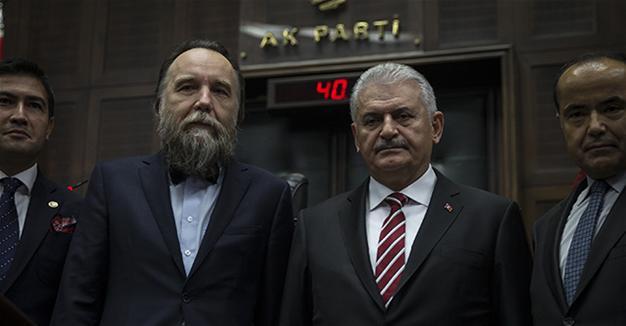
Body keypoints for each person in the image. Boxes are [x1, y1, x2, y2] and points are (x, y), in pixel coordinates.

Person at [53, 40, 294, 325]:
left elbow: (275, 312)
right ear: (159, 106)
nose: (204, 101)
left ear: (238, 114)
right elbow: (78, 299)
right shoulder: (113, 183)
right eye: (187, 87)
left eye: (220, 91)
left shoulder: (270, 195)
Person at [279, 62, 532, 326]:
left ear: (436, 127)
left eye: (403, 116)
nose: (387, 131)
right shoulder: (315, 225)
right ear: (356, 136)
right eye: (372, 120)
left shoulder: (492, 219)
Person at [531, 53, 626, 325]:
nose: (595, 126)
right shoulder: (545, 228)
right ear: (561, 122)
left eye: (612, 108)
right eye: (577, 114)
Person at [0, 58, 81, 325]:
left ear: (49, 127)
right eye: (5, 101)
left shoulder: (76, 212)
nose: (19, 116)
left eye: (34, 106)